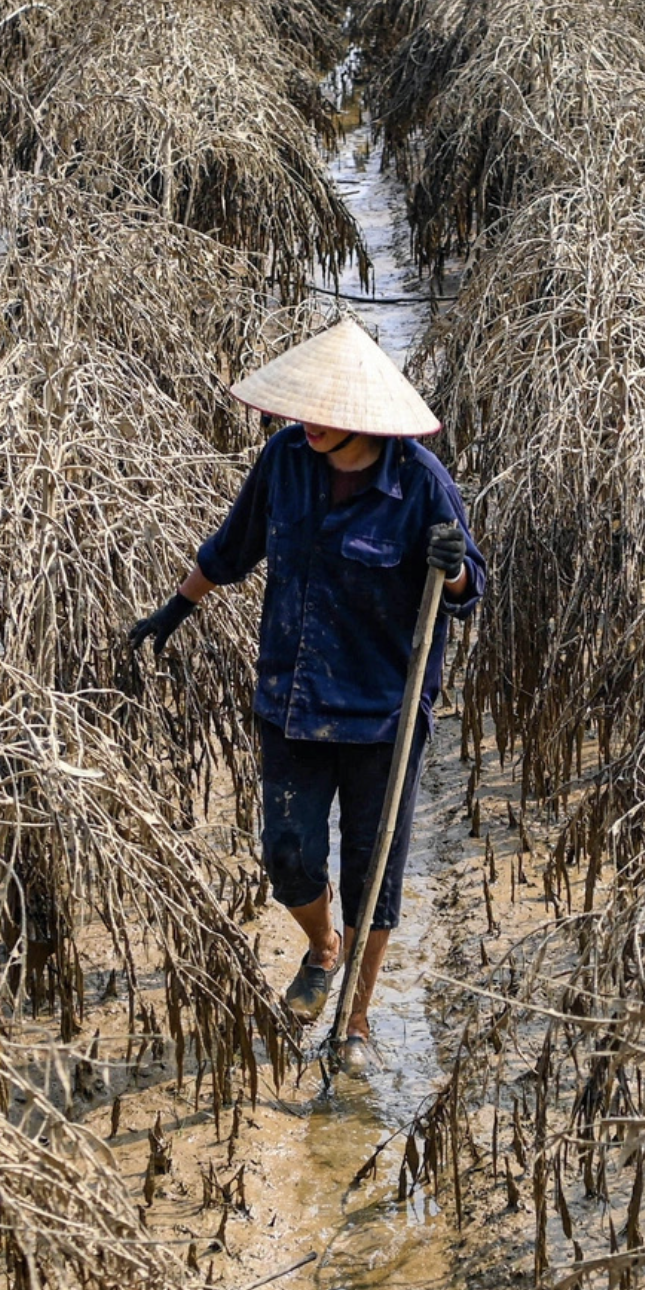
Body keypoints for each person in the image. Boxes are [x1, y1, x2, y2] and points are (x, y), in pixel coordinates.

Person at [122, 318, 486, 1059]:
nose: (307, 426)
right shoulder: (285, 459)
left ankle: (352, 1023)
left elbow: (467, 589)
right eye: (302, 412)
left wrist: (449, 565)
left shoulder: (419, 484)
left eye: (325, 415)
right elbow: (233, 545)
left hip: (383, 713)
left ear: (364, 418)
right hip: (291, 698)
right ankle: (324, 947)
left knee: (371, 872)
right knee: (287, 854)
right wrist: (176, 609)